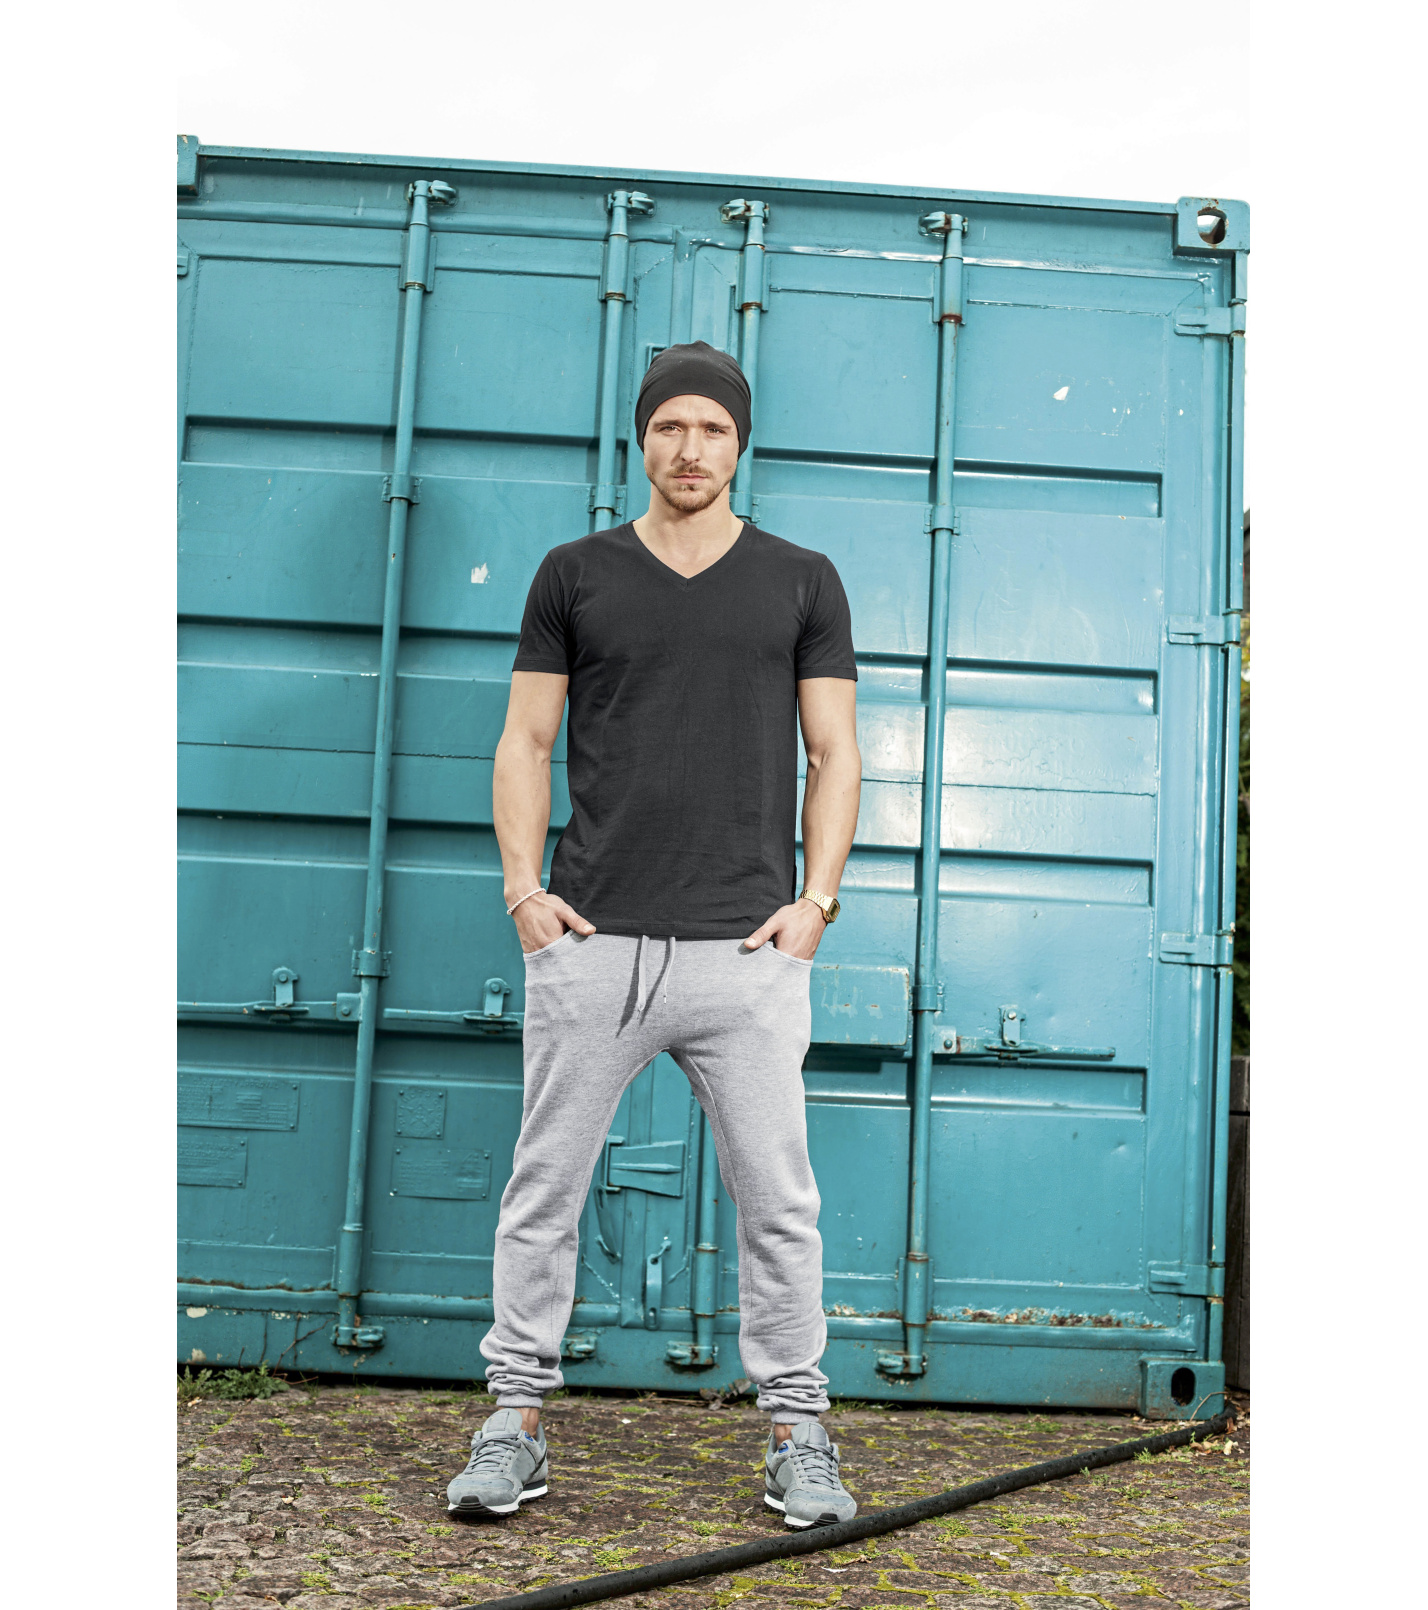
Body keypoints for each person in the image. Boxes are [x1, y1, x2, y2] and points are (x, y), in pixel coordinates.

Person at [446, 342, 863, 1529]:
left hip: (748, 954)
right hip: (594, 943)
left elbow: (835, 752)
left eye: (712, 428)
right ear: (641, 437)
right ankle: (515, 1423)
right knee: (544, 1188)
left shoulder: (802, 580)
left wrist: (816, 905)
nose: (690, 447)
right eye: (670, 425)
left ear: (740, 442)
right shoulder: (575, 574)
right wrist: (524, 892)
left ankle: (797, 1431)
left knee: (779, 1202)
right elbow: (526, 741)